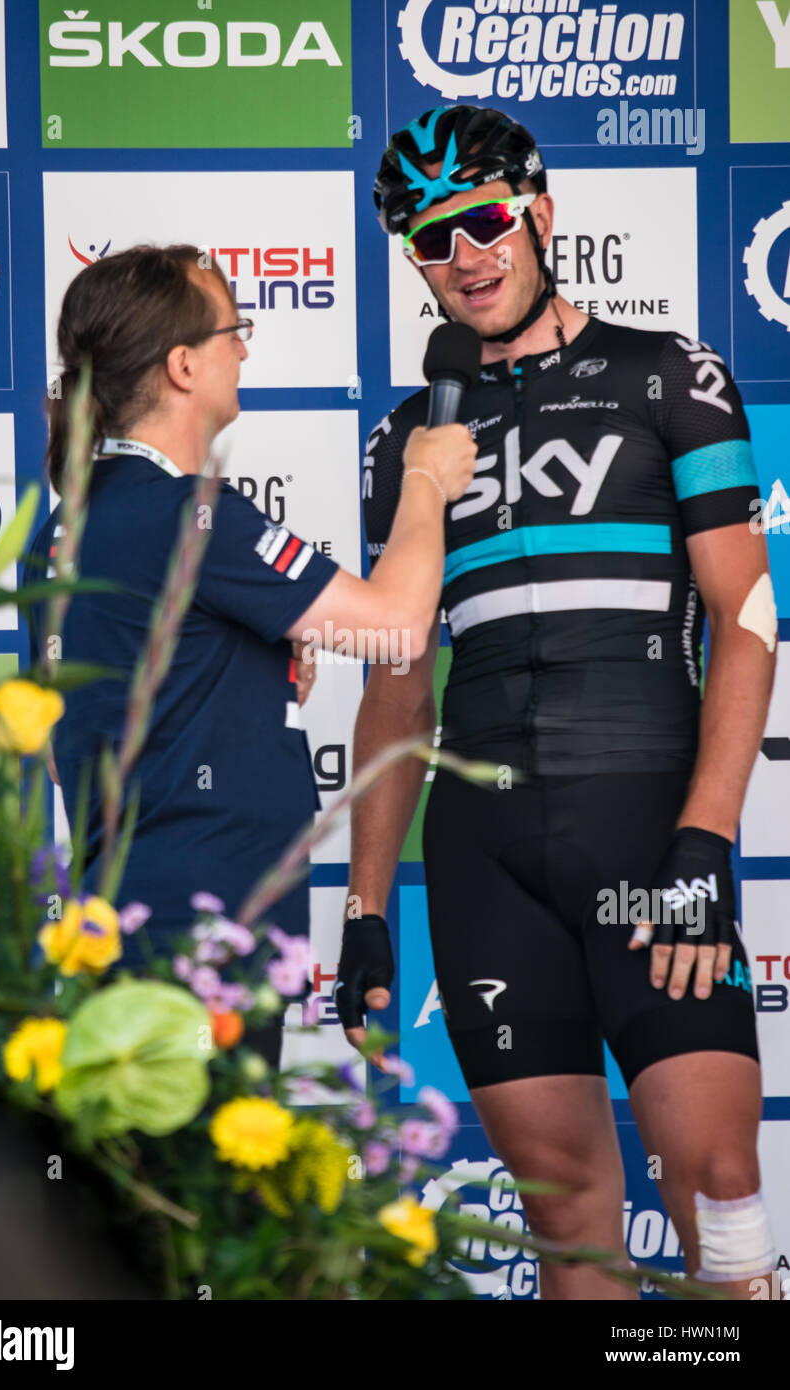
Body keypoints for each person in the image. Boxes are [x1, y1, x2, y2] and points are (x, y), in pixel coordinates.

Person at [335, 106, 779, 1299]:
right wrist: (368, 906)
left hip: (644, 827)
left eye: (481, 221)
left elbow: (746, 620)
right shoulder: (403, 441)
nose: (464, 256)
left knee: (719, 1185)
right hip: (485, 854)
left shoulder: (668, 374)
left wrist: (705, 838)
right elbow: (394, 683)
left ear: (539, 210)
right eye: (431, 240)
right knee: (567, 1215)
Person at [22, 243, 476, 1065]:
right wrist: (425, 482)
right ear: (183, 365)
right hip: (203, 941)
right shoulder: (189, 514)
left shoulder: (60, 528)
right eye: (235, 329)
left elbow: (64, 750)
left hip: (119, 932)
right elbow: (397, 628)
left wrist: (240, 675)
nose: (246, 346)